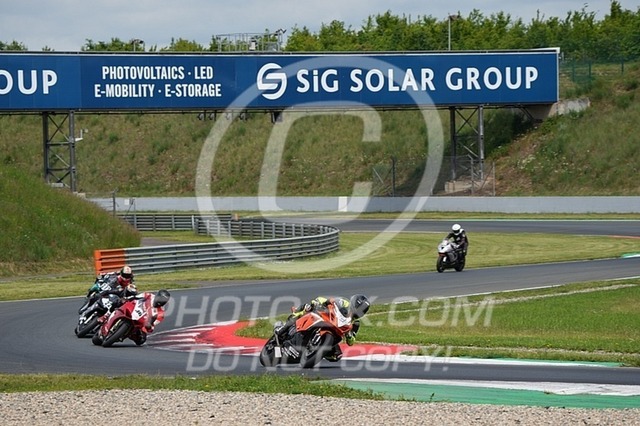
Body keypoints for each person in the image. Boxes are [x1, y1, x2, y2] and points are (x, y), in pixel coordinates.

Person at [275, 294, 371, 362]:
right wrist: (321, 302)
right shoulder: (345, 303)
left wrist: (349, 335)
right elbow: (331, 301)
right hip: (327, 318)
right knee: (308, 307)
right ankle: (283, 327)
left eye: (363, 310)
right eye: (360, 308)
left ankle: (314, 351)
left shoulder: (355, 323)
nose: (360, 311)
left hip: (335, 332)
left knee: (336, 356)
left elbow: (351, 342)